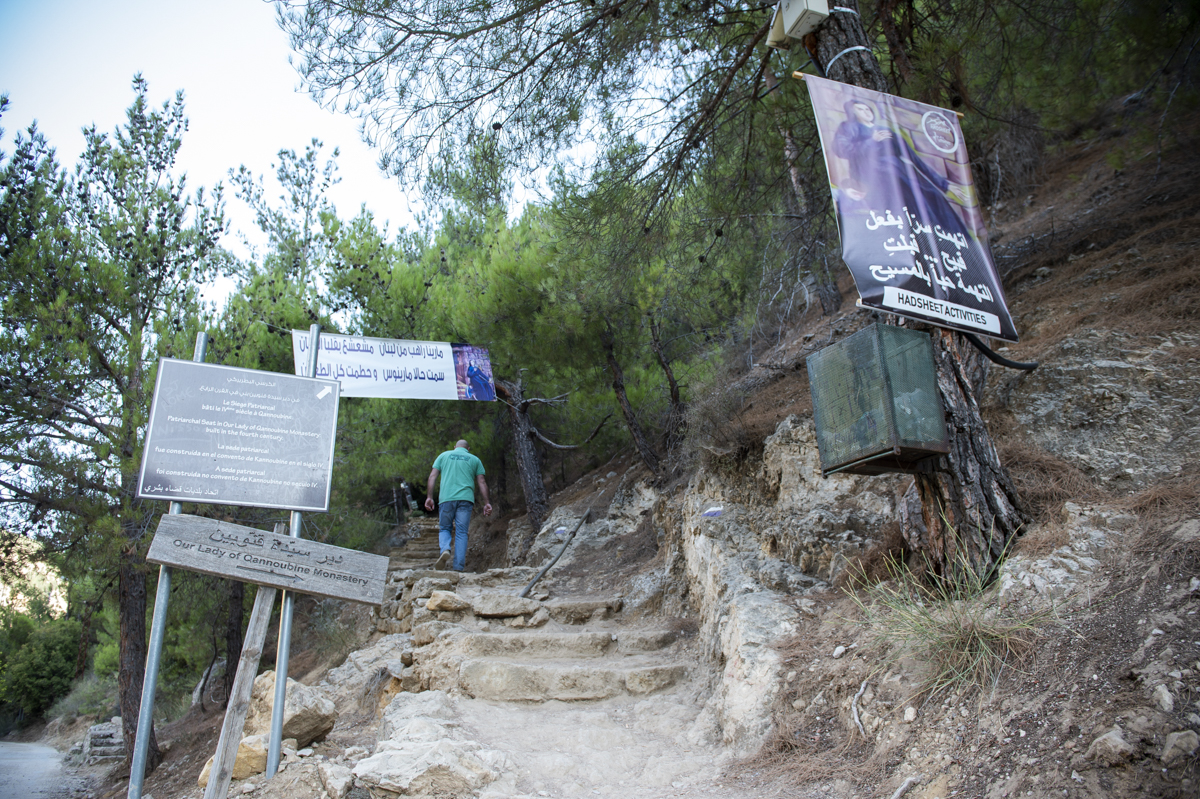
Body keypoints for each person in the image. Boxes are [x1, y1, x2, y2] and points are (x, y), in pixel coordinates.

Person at [424, 440, 492, 571]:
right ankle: (458, 568)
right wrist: (487, 503)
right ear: (468, 448)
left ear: (454, 447)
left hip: (446, 498)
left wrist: (429, 497)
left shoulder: (443, 456)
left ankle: (445, 549)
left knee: (444, 528)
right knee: (461, 532)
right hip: (466, 500)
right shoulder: (475, 459)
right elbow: (482, 482)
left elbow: (432, 476)